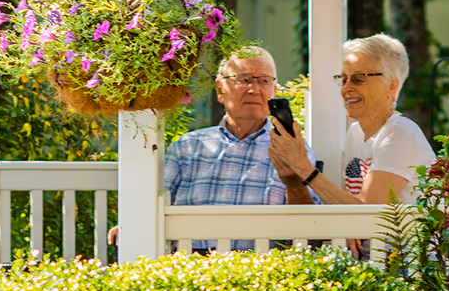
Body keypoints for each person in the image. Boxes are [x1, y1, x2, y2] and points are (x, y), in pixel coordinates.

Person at [109, 46, 317, 251]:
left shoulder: (294, 149)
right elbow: (153, 204)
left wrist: (294, 185)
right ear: (219, 90)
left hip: (258, 273)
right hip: (188, 271)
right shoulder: (187, 148)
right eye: (244, 80)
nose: (254, 89)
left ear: (274, 92)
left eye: (264, 81)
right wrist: (134, 224)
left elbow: (313, 231)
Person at [268, 34, 436, 253]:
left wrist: (305, 169)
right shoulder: (356, 133)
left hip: (409, 269)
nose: (346, 88)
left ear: (391, 86)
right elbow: (352, 211)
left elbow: (367, 217)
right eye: (343, 78)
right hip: (371, 262)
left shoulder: (400, 133)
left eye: (358, 79)